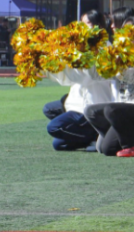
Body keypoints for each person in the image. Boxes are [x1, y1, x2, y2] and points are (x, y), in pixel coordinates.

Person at [46, 10, 114, 151]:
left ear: (99, 25)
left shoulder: (104, 47)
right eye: (81, 23)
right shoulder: (80, 46)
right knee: (59, 143)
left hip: (93, 105)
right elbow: (68, 81)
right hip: (78, 103)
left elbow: (85, 78)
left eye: (87, 23)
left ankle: (95, 135)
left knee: (54, 127)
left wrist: (68, 60)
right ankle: (90, 138)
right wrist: (50, 64)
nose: (82, 27)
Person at [84, 16, 134, 156]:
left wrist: (117, 65)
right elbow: (97, 76)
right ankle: (126, 136)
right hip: (120, 110)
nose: (129, 35)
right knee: (91, 112)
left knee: (110, 110)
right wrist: (89, 55)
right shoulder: (119, 53)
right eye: (126, 31)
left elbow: (133, 76)